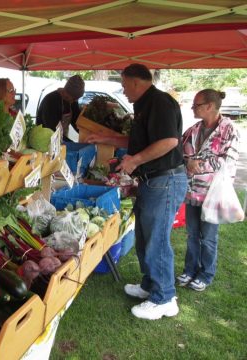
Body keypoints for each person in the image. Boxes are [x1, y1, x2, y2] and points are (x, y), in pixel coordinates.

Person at [85, 63, 187, 320]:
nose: (122, 89)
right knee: (144, 235)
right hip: (153, 181)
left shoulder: (160, 102)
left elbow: (169, 142)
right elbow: (138, 140)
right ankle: (150, 284)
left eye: (124, 84)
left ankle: (164, 298)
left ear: (136, 83)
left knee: (157, 240)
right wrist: (104, 138)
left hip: (165, 180)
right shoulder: (144, 105)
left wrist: (135, 160)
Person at [176, 89, 240, 291]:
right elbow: (180, 150)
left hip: (213, 194)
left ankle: (206, 274)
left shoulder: (229, 129)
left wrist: (198, 165)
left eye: (196, 105)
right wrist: (188, 161)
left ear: (210, 106)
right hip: (193, 191)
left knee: (209, 237)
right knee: (192, 234)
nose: (193, 108)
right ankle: (190, 269)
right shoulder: (193, 130)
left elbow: (228, 160)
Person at [36, 75, 85, 141]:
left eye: (76, 99)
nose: (75, 101)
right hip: (45, 139)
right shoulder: (51, 100)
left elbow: (76, 121)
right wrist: (70, 142)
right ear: (67, 92)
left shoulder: (72, 101)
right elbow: (52, 128)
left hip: (61, 138)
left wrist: (85, 134)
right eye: (74, 98)